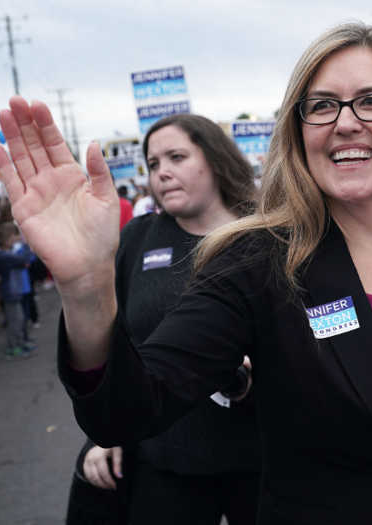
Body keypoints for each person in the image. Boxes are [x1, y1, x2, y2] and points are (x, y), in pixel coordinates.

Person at [0, 23, 372, 525]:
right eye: (322, 106)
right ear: (299, 133)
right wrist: (86, 284)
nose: (345, 122)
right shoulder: (256, 263)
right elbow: (129, 410)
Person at [66, 114, 262, 525]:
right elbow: (114, 345)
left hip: (264, 459)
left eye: (176, 156)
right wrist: (102, 435)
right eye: (154, 164)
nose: (163, 172)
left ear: (215, 158)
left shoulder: (267, 234)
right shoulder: (137, 239)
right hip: (166, 457)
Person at [0, 222, 36, 361]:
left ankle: (20, 343)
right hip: (10, 292)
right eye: (12, 238)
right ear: (5, 240)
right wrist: (26, 245)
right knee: (14, 321)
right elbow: (22, 259)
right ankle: (13, 347)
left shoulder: (5, 254)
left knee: (19, 319)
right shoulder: (2, 256)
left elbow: (20, 262)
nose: (15, 240)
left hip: (14, 291)